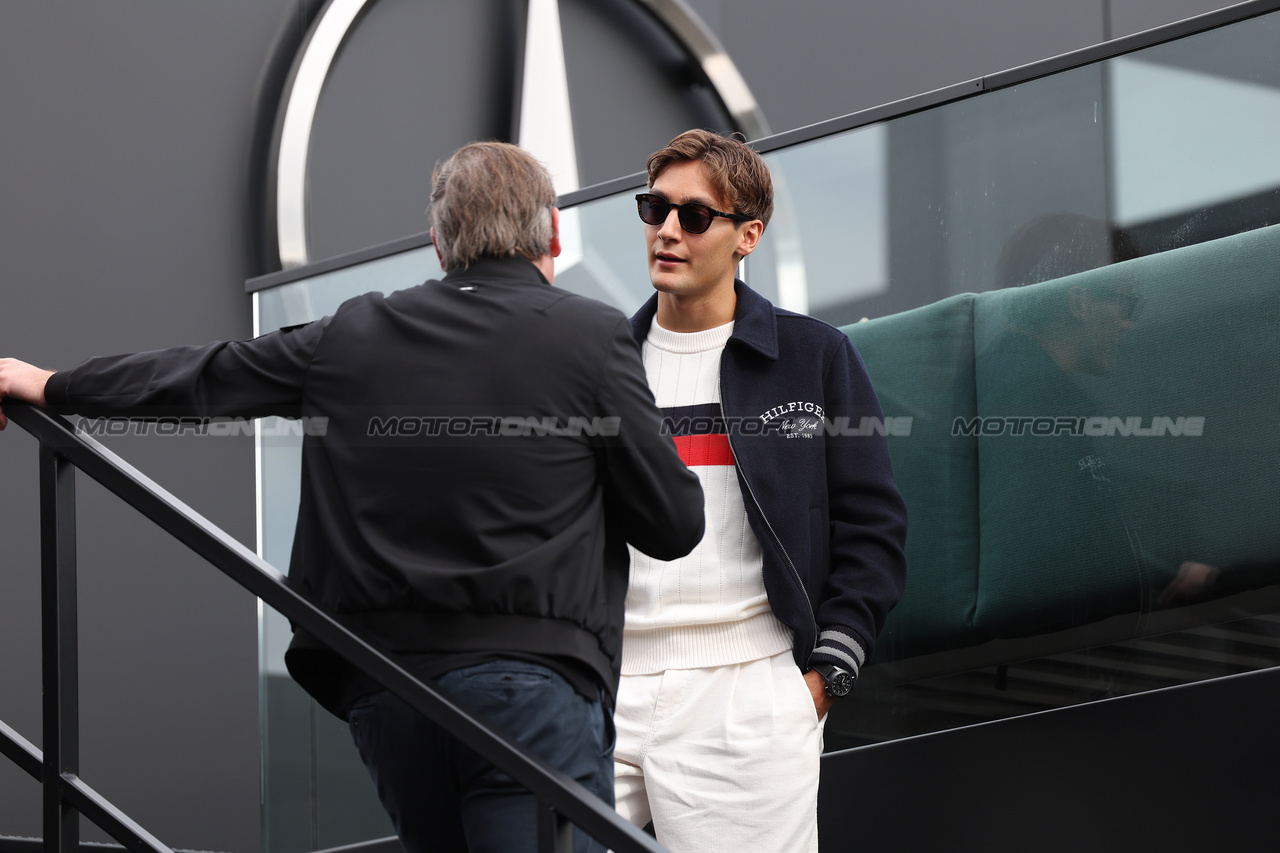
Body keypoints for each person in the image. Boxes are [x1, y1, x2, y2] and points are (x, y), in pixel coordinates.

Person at [0, 141, 706, 853]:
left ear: (439, 242)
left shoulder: (352, 332)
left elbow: (205, 376)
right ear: (553, 232)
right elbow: (674, 523)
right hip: (528, 693)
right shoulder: (591, 334)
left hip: (387, 693)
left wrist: (55, 385)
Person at [612, 129, 908, 851]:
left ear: (749, 234)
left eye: (694, 216)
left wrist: (824, 676)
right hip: (605, 686)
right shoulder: (603, 362)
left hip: (748, 690)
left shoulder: (813, 356)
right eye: (655, 209)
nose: (668, 231)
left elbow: (873, 528)